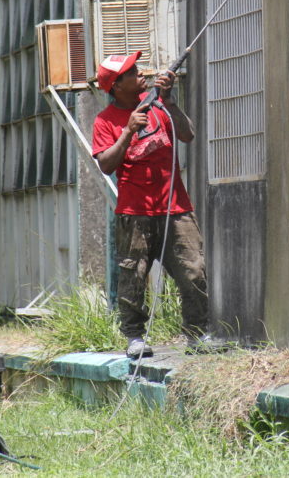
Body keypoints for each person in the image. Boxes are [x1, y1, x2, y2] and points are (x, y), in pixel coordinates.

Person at [91, 51, 213, 358]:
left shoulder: (159, 105)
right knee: (133, 277)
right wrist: (128, 131)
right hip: (135, 215)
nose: (139, 73)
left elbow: (188, 134)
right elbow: (106, 164)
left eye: (136, 68)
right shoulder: (105, 121)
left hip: (175, 209)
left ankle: (197, 336)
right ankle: (135, 337)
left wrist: (169, 100)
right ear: (116, 86)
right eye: (131, 72)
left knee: (194, 271)